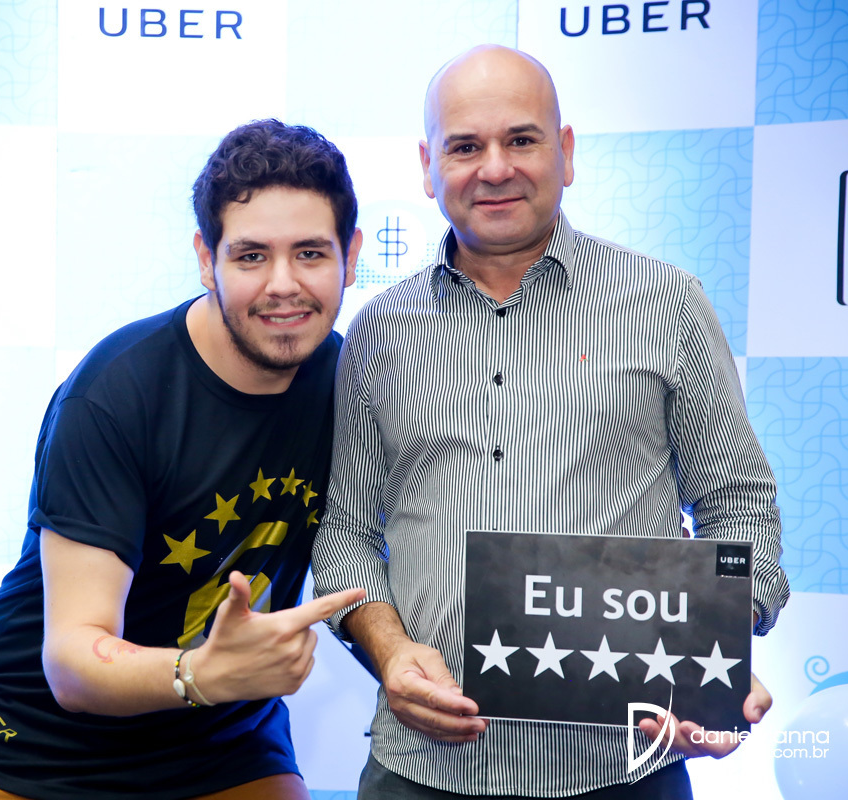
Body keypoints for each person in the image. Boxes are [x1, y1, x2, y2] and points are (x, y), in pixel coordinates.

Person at [312, 45, 790, 799]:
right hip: (422, 771)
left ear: (565, 153)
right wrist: (392, 651)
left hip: (626, 768)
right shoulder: (379, 331)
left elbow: (739, 504)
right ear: (428, 167)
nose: (494, 168)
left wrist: (715, 647)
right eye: (464, 146)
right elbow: (344, 531)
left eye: (521, 139)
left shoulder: (667, 304)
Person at [0, 119, 366, 800]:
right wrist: (203, 673)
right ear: (206, 259)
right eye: (250, 256)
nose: (283, 285)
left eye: (310, 254)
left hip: (223, 743)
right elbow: (72, 662)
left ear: (350, 256)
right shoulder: (118, 391)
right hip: (31, 745)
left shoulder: (356, 385)